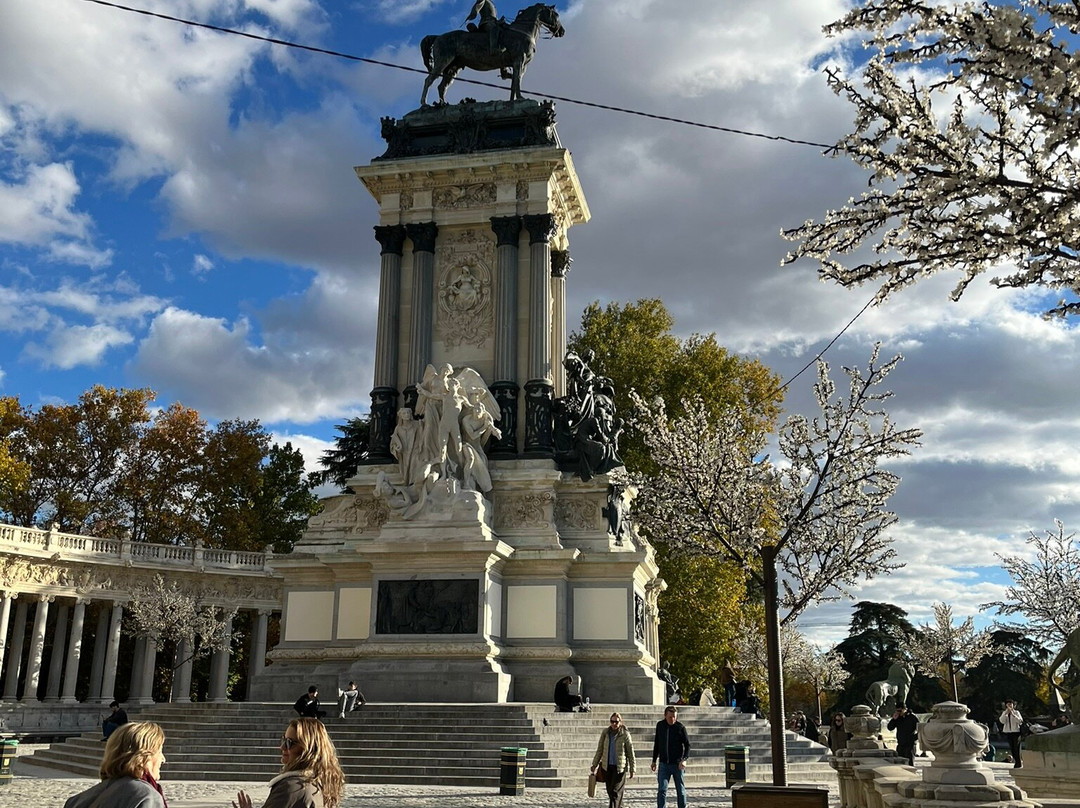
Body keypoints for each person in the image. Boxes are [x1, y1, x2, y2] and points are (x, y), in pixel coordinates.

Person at [233, 718, 345, 808]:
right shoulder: (319, 783)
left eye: (289, 743)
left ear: (307, 749)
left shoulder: (292, 788)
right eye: (284, 740)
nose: (282, 747)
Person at [64, 721, 167, 808]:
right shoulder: (146, 797)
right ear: (143, 756)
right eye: (159, 752)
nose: (163, 759)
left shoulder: (76, 801)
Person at [590, 712, 636, 808]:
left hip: (619, 768)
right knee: (610, 791)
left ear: (620, 722)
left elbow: (630, 753)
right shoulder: (606, 733)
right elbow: (600, 749)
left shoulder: (625, 734)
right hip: (607, 767)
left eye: (616, 722)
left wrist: (632, 769)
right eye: (612, 721)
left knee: (615, 792)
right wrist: (594, 764)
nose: (614, 724)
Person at [651, 705, 690, 808]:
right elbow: (657, 743)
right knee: (662, 789)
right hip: (664, 764)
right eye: (670, 717)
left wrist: (684, 759)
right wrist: (654, 760)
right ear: (665, 716)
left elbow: (687, 745)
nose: (672, 719)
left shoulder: (680, 727)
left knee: (680, 790)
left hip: (677, 764)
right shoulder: (660, 726)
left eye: (674, 717)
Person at [999, 699, 1024, 768]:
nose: (1009, 705)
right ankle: (1016, 761)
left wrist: (1013, 715)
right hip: (1008, 732)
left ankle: (1019, 762)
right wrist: (1006, 714)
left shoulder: (1016, 712)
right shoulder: (1004, 713)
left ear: (1013, 705)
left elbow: (1020, 721)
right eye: (1008, 704)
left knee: (1017, 747)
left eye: (1011, 704)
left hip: (1016, 732)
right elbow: (1002, 721)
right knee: (1012, 748)